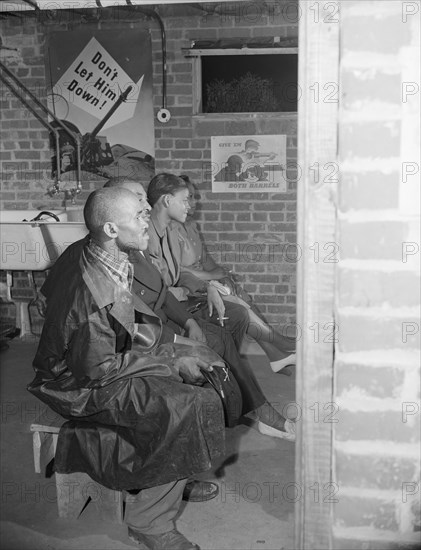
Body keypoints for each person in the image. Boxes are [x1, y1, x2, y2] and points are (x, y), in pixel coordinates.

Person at [27, 187, 228, 550]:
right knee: (187, 404)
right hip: (79, 383)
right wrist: (169, 359)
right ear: (111, 229)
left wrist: (172, 350)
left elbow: (123, 325)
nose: (148, 218)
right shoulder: (88, 295)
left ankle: (168, 474)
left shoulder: (102, 254)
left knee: (206, 377)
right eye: (138, 214)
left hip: (103, 359)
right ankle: (148, 521)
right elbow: (99, 370)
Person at [104, 176, 296, 441]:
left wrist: (207, 289)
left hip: (169, 312)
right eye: (138, 200)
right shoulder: (124, 250)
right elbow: (148, 307)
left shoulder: (155, 235)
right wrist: (186, 321)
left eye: (144, 199)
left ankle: (230, 392)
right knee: (221, 333)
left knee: (234, 315)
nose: (146, 205)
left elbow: (172, 279)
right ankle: (250, 400)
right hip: (153, 329)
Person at [177, 175, 296, 374]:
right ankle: (279, 346)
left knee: (239, 292)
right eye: (189, 197)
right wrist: (211, 278)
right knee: (237, 303)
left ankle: (277, 355)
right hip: (191, 288)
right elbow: (177, 270)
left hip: (205, 281)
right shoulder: (171, 228)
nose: (194, 202)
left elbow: (205, 259)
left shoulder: (191, 225)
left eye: (194, 196)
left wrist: (222, 274)